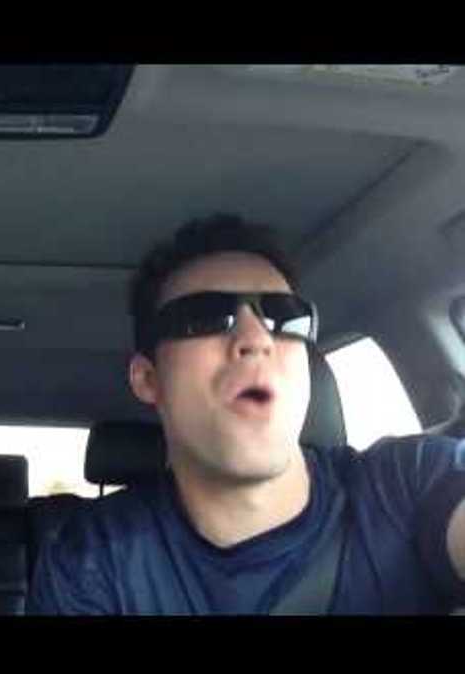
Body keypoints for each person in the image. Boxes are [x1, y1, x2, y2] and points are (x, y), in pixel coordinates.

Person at [28, 214, 465, 614]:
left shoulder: (410, 483)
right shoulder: (93, 562)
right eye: (204, 317)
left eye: (284, 317)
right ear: (148, 379)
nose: (256, 339)